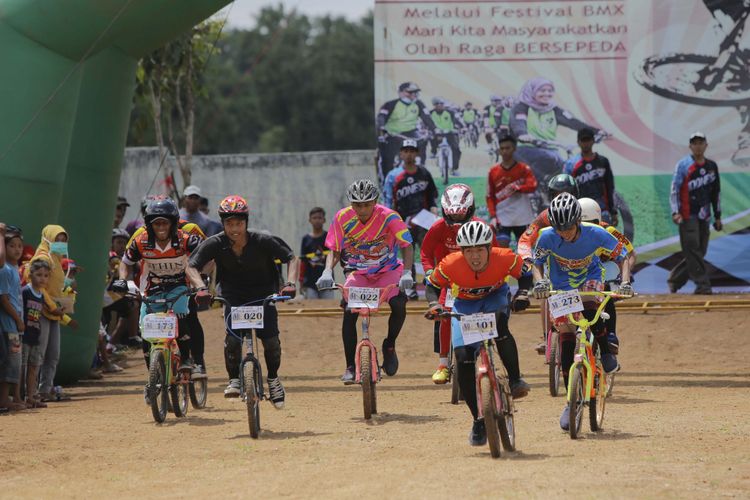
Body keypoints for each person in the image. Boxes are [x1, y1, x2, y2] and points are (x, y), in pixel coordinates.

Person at [530, 193, 633, 430]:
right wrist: (539, 281)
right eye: (558, 228)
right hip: (561, 286)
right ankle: (570, 401)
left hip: (591, 278)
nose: (563, 233)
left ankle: (606, 353)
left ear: (578, 221)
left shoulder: (596, 233)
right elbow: (536, 263)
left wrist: (625, 282)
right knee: (565, 333)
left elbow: (623, 256)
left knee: (588, 308)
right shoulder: (546, 237)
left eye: (567, 227)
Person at [426, 221, 531, 446]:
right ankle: (478, 419)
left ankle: (515, 380)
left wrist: (522, 294)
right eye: (469, 251)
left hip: (495, 298)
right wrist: (434, 305)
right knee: (463, 358)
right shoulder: (450, 264)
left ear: (488, 248)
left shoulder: (504, 257)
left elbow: (525, 275)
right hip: (464, 305)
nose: (475, 257)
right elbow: (432, 285)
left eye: (480, 250)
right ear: (461, 251)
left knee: (501, 328)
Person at [187, 195, 298, 407]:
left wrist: (291, 283)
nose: (234, 229)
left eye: (239, 223)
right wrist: (200, 288)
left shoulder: (262, 241)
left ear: (246, 222)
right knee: (232, 341)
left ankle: (273, 379)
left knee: (271, 342)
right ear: (223, 224)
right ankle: (235, 379)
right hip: (233, 295)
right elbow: (192, 265)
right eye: (229, 224)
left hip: (263, 294)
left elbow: (291, 257)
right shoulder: (215, 243)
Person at [316, 179, 414, 383]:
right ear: (351, 203)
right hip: (358, 273)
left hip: (387, 270)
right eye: (357, 205)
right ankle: (350, 366)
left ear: (375, 201)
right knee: (348, 312)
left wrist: (406, 272)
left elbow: (407, 245)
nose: (362, 209)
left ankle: (389, 344)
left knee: (398, 303)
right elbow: (334, 249)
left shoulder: (389, 217)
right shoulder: (342, 218)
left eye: (367, 204)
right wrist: (327, 271)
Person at [115, 198, 208, 401]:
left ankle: (186, 359)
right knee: (147, 331)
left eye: (165, 223)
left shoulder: (186, 238)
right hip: (152, 288)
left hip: (179, 287)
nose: (161, 228)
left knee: (182, 316)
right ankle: (153, 377)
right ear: (150, 224)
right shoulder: (141, 241)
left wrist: (202, 283)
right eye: (157, 223)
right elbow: (125, 263)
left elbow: (205, 256)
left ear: (173, 223)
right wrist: (123, 281)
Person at [421, 184, 502, 384]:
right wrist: (430, 272)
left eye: (461, 216)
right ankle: (442, 363)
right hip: (450, 281)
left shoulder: (483, 227)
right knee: (445, 315)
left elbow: (497, 255)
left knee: (491, 312)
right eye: (452, 216)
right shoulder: (438, 228)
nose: (456, 220)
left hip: (479, 279)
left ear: (471, 210)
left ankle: (488, 353)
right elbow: (425, 252)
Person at [510, 77, 608, 207]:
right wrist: (522, 134)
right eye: (542, 90)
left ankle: (557, 198)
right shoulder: (521, 108)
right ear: (532, 91)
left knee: (565, 166)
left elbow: (574, 122)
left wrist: (596, 132)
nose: (547, 94)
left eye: (550, 90)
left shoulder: (554, 109)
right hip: (526, 149)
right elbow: (518, 123)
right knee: (551, 158)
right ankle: (543, 194)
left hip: (550, 149)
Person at [517, 174, 579, 354]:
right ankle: (547, 336)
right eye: (557, 193)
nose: (562, 197)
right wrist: (527, 259)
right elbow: (525, 240)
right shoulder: (545, 216)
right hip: (556, 269)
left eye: (566, 193)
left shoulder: (587, 209)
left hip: (586, 267)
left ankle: (606, 338)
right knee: (545, 291)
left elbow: (603, 230)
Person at [25, 225, 79, 402]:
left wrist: (67, 291)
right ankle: (31, 392)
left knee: (53, 354)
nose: (61, 243)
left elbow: (55, 286)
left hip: (55, 313)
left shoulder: (56, 258)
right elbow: (36, 283)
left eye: (64, 240)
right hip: (41, 312)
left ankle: (45, 390)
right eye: (58, 239)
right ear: (47, 238)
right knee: (38, 354)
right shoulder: (43, 257)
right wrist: (50, 305)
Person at [578, 197, 636, 354]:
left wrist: (624, 279)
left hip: (605, 266)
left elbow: (630, 254)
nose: (588, 228)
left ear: (599, 221)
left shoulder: (609, 231)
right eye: (583, 224)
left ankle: (610, 335)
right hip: (581, 269)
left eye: (592, 223)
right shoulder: (569, 233)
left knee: (606, 287)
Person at [668, 132, 722, 295]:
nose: (698, 146)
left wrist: (718, 216)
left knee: (699, 251)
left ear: (706, 145)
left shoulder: (711, 166)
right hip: (687, 215)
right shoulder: (683, 165)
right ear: (690, 146)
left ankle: (675, 279)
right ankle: (703, 285)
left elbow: (716, 192)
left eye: (701, 142)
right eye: (695, 143)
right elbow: (674, 190)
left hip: (704, 216)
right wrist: (675, 212)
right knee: (693, 250)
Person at [385, 138, 439, 300]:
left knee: (428, 253)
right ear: (401, 153)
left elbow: (432, 199)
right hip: (403, 222)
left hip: (423, 221)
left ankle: (434, 285)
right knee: (408, 254)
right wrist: (391, 224)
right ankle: (411, 289)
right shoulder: (393, 176)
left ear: (417, 153)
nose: (409, 154)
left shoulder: (423, 173)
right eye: (405, 151)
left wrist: (434, 214)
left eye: (412, 151)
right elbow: (388, 203)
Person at [377, 82, 436, 182]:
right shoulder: (391, 104)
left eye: (415, 92)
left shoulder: (419, 104)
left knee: (422, 142)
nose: (413, 94)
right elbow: (381, 117)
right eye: (410, 92)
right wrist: (382, 128)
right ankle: (386, 183)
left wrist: (434, 129)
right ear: (400, 93)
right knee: (388, 159)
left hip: (411, 132)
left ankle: (419, 170)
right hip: (393, 133)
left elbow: (427, 118)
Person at [486, 135, 538, 248]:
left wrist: (518, 188)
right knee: (501, 249)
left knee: (525, 250)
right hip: (502, 217)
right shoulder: (493, 172)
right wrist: (493, 216)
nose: (504, 151)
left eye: (507, 148)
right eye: (502, 148)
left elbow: (533, 185)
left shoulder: (524, 169)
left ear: (514, 148)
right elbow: (490, 196)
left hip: (522, 216)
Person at [564, 128, 618, 225]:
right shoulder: (571, 164)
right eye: (583, 140)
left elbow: (610, 187)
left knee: (605, 239)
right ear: (578, 142)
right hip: (581, 212)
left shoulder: (603, 161)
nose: (586, 143)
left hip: (602, 211)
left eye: (588, 140)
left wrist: (613, 212)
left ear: (593, 141)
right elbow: (566, 190)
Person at [22, 260, 57, 408]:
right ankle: (19, 396)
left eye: (45, 275)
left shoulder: (41, 294)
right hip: (24, 335)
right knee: (22, 367)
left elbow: (41, 312)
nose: (42, 278)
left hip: (35, 335)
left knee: (33, 367)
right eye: (38, 275)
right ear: (30, 275)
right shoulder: (25, 291)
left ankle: (31, 396)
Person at [0, 226, 26, 410]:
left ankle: (14, 397)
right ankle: (4, 399)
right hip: (9, 325)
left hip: (15, 325)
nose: (17, 250)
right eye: (12, 246)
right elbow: (4, 298)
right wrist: (17, 319)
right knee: (10, 362)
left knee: (15, 362)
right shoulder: (5, 270)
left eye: (19, 246)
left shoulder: (14, 269)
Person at [299, 207, 333, 299]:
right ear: (310, 220)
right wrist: (301, 281)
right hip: (310, 283)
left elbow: (334, 257)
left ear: (324, 220)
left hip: (327, 282)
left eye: (319, 218)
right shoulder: (305, 239)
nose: (317, 220)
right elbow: (303, 262)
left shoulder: (329, 236)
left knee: (328, 309)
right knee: (311, 309)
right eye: (314, 218)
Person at [429, 97, 463, 174]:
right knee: (431, 138)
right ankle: (433, 152)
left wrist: (461, 127)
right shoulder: (430, 113)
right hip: (437, 133)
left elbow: (458, 121)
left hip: (449, 133)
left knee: (456, 149)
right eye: (437, 104)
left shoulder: (451, 112)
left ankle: (454, 169)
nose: (440, 105)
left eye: (441, 104)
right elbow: (425, 122)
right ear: (434, 105)